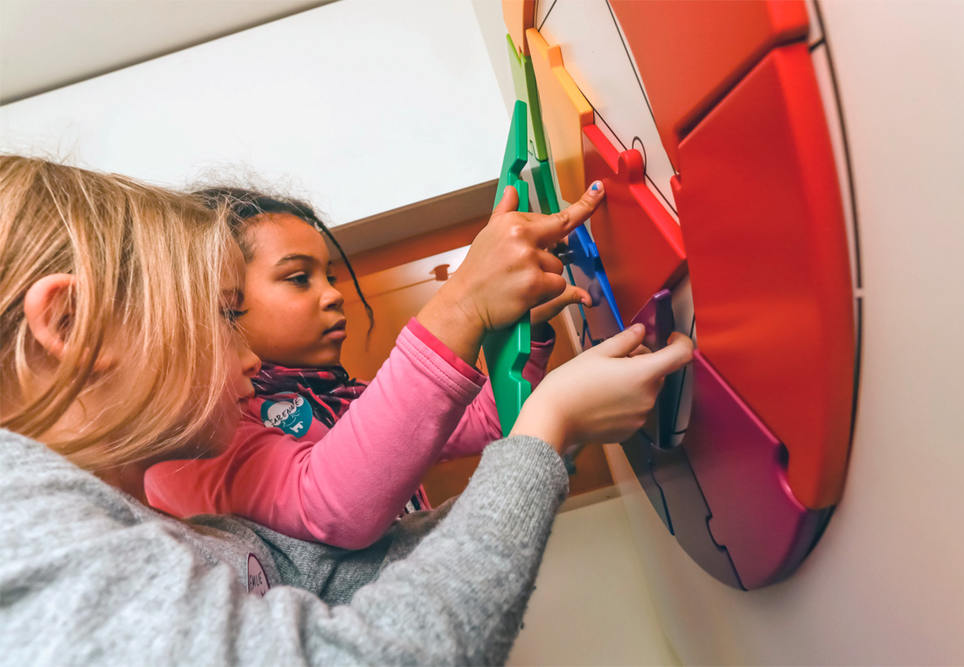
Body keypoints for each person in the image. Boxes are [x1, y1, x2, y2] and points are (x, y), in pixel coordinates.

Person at [0, 155, 693, 664]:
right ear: (67, 322)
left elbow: (359, 574)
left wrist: (550, 429)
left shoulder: (166, 529)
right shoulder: (20, 537)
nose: (243, 352)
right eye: (220, 314)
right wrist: (539, 417)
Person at [144, 186, 586, 548]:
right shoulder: (202, 431)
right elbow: (330, 506)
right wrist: (465, 305)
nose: (333, 294)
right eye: (299, 278)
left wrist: (527, 335)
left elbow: (485, 421)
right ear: (217, 300)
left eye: (329, 277)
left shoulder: (343, 395)